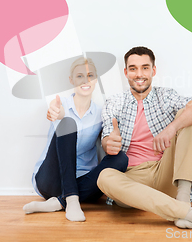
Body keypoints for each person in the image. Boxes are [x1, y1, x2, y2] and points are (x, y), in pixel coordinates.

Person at [97, 46, 192, 237]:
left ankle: (183, 196)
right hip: (133, 180)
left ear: (153, 71)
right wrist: (109, 143)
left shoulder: (166, 96)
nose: (139, 74)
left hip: (165, 171)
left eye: (145, 68)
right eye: (133, 69)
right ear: (126, 72)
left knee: (189, 114)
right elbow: (107, 138)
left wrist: (171, 128)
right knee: (104, 177)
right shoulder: (113, 102)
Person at [23, 57, 128, 222]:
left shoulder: (101, 114)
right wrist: (57, 114)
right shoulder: (60, 104)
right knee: (68, 123)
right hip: (50, 180)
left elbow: (107, 142)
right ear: (71, 80)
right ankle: (71, 199)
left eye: (90, 75)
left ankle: (59, 202)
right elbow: (56, 111)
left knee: (121, 159)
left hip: (83, 181)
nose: (85, 80)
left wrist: (111, 140)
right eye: (79, 76)